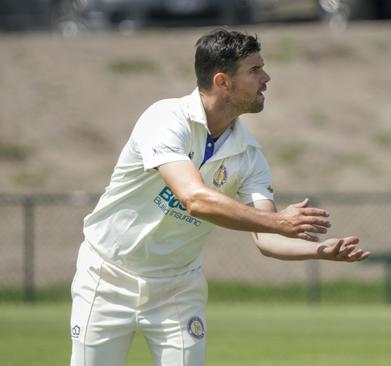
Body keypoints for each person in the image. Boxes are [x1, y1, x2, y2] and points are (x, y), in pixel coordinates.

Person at [69, 28, 370, 366]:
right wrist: (277, 221)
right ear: (223, 81)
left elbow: (267, 239)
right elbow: (194, 199)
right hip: (107, 277)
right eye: (255, 70)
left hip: (178, 288)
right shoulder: (165, 119)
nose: (266, 78)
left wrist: (319, 250)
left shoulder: (250, 155)